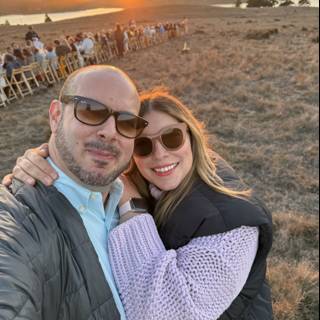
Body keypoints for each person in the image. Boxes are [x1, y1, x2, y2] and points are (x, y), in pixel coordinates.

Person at [3, 89, 273, 319]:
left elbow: (159, 311)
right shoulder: (163, 178)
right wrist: (44, 158)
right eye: (143, 145)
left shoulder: (235, 231)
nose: (160, 154)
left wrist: (130, 203)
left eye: (172, 138)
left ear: (192, 136)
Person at [0, 65, 148, 320]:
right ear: (56, 116)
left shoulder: (142, 184)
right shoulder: (19, 225)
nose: (110, 132)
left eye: (126, 122)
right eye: (90, 111)